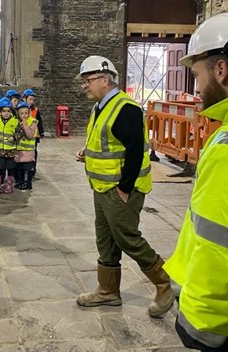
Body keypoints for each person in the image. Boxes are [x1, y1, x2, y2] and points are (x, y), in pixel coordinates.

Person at [75, 55, 174, 318]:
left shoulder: (125, 108)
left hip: (120, 190)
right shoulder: (100, 108)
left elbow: (134, 151)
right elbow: (110, 142)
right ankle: (108, 292)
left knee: (127, 238)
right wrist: (88, 151)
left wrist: (125, 187)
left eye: (88, 80)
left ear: (104, 80)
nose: (84, 85)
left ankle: (164, 283)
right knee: (105, 239)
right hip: (101, 187)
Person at [163, 12, 228, 352]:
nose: (195, 86)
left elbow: (218, 246)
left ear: (221, 70)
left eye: (197, 74)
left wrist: (200, 323)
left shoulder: (226, 147)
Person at [0, 97, 20, 194]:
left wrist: (15, 137)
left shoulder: (15, 121)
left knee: (10, 168)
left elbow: (20, 132)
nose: (6, 113)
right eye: (4, 111)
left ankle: (9, 184)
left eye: (8, 111)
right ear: (0, 111)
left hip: (10, 150)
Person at [14, 101, 38, 190]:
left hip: (29, 150)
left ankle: (28, 183)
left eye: (26, 113)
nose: (24, 115)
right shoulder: (16, 121)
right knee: (19, 167)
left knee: (28, 167)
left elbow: (29, 135)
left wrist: (24, 126)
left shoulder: (33, 122)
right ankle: (20, 181)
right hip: (19, 149)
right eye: (21, 113)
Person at [22, 88, 44, 176]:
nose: (31, 101)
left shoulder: (35, 110)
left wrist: (41, 132)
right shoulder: (21, 109)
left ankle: (32, 168)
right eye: (30, 99)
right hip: (23, 134)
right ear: (24, 99)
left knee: (33, 151)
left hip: (34, 135)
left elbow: (39, 121)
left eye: (33, 100)